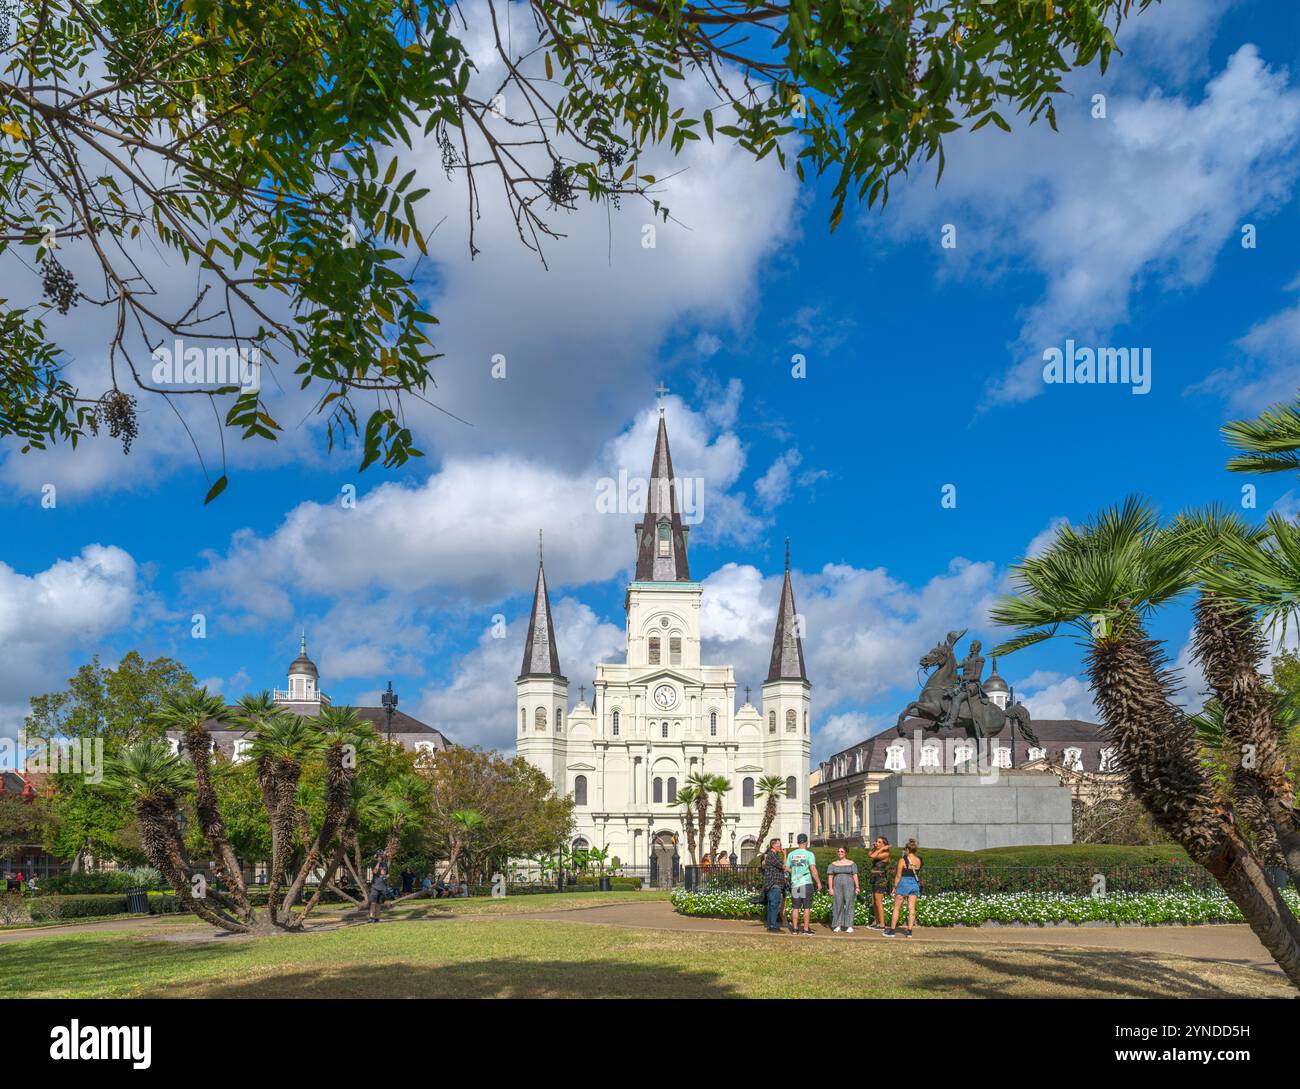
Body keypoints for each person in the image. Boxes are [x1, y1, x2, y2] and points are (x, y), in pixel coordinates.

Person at [883, 839, 922, 938]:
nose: (904, 851)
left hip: (903, 883)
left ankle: (892, 930)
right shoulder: (919, 860)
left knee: (896, 908)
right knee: (911, 908)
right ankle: (909, 931)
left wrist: (895, 887)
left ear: (908, 849)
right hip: (914, 884)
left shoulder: (902, 860)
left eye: (905, 849)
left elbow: (898, 875)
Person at [785, 834, 821, 936]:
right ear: (806, 842)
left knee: (795, 907)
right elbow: (813, 869)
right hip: (806, 883)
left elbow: (786, 867)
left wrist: (795, 873)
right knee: (806, 907)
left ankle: (795, 929)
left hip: (795, 884)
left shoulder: (791, 854)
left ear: (797, 842)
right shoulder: (809, 854)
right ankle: (805, 929)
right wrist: (818, 882)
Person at [826, 846, 859, 933]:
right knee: (837, 904)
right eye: (838, 851)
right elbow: (830, 877)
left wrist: (857, 887)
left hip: (849, 886)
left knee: (849, 904)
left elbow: (855, 875)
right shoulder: (832, 864)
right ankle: (838, 925)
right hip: (837, 886)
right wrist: (830, 888)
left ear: (846, 853)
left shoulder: (852, 863)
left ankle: (849, 925)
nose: (840, 853)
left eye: (842, 851)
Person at [760, 838, 786, 933]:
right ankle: (772, 925)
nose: (781, 847)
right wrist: (785, 855)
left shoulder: (772, 855)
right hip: (774, 884)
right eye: (779, 846)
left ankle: (771, 924)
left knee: (772, 905)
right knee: (774, 905)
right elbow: (783, 865)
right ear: (774, 846)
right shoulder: (772, 855)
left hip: (771, 884)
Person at [868, 836, 891, 929]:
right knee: (874, 901)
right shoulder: (877, 851)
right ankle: (877, 922)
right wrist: (874, 847)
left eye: (879, 842)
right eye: (876, 841)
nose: (876, 843)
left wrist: (882, 849)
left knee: (878, 901)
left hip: (880, 879)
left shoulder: (885, 854)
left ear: (884, 844)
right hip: (875, 878)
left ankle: (882, 924)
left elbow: (873, 856)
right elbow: (869, 854)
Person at [367, 852, 390, 923]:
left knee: (379, 903)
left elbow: (387, 873)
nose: (380, 857)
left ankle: (377, 918)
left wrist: (387, 876)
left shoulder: (385, 864)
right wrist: (378, 863)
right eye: (379, 856)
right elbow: (375, 871)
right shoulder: (373, 863)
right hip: (375, 886)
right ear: (376, 857)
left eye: (381, 856)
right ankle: (371, 917)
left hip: (383, 887)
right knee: (373, 903)